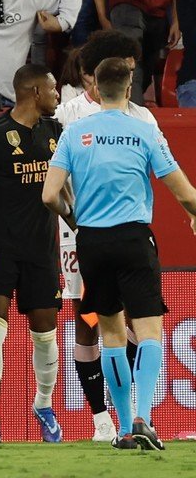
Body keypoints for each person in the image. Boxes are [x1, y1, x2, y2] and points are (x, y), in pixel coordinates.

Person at [43, 56, 196, 450]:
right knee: (148, 330)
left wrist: (72, 217)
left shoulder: (74, 133)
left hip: (91, 242)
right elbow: (184, 193)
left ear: (94, 90)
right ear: (129, 89)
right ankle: (144, 418)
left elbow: (48, 195)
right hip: (132, 240)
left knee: (110, 334)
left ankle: (125, 428)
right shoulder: (144, 130)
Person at [53, 29, 156, 442]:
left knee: (132, 321)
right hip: (77, 233)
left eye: (131, 70)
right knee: (86, 319)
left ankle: (131, 413)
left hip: (121, 233)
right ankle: (100, 419)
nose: (126, 77)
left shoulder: (142, 116)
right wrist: (77, 219)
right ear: (90, 74)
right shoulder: (68, 113)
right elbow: (53, 179)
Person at [0, 63, 63, 444]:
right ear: (35, 92)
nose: (57, 96)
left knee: (45, 335)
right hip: (0, 248)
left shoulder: (57, 132)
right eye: (53, 89)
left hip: (42, 250)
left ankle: (44, 404)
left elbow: (64, 190)